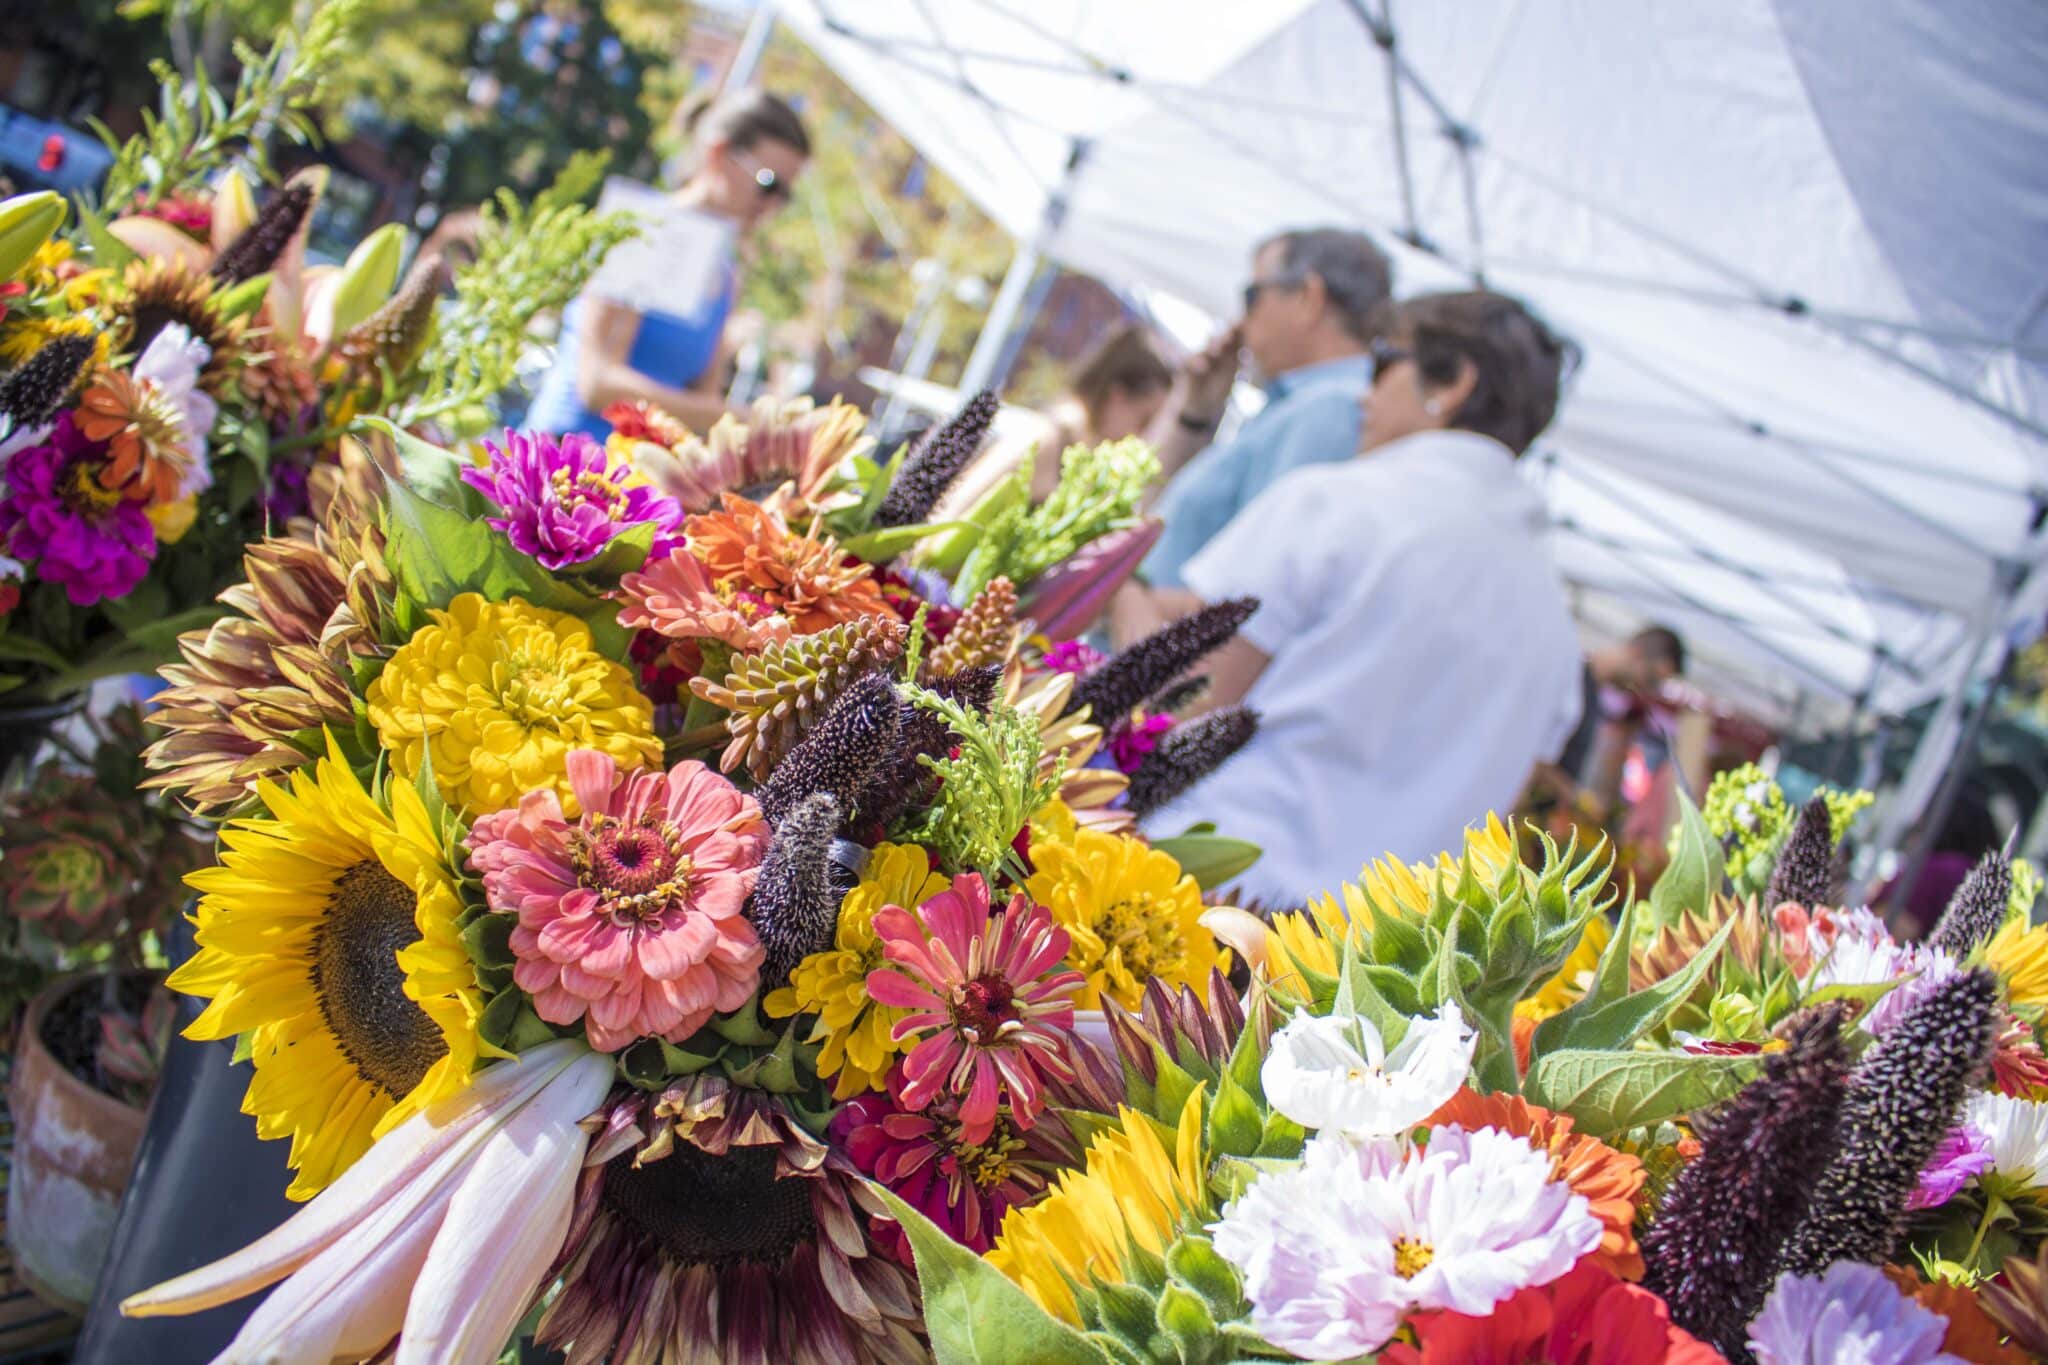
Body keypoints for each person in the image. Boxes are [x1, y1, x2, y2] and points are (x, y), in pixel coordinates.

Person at [1111, 290, 1583, 904]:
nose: (1366, 390)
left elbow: (1168, 715)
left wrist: (1122, 586)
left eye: (1385, 360)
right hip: (1357, 974)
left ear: (1454, 382)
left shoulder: (1337, 504)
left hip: (1198, 910)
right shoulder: (1554, 619)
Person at [524, 88, 808, 440]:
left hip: (632, 480)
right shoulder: (643, 230)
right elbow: (597, 385)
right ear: (719, 153)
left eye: (786, 195)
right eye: (769, 183)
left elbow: (703, 402)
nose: (773, 204)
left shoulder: (728, 274)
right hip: (562, 459)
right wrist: (743, 418)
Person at [1138, 227, 1392, 587]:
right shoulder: (1304, 405)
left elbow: (1256, 584)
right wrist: (1195, 412)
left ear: (1309, 297)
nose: (1241, 321)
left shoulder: (1331, 410)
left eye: (1252, 295)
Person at [942, 323, 1173, 511]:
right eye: (1145, 419)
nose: (1142, 435)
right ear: (1117, 395)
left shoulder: (1074, 450)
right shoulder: (1046, 439)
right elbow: (951, 513)